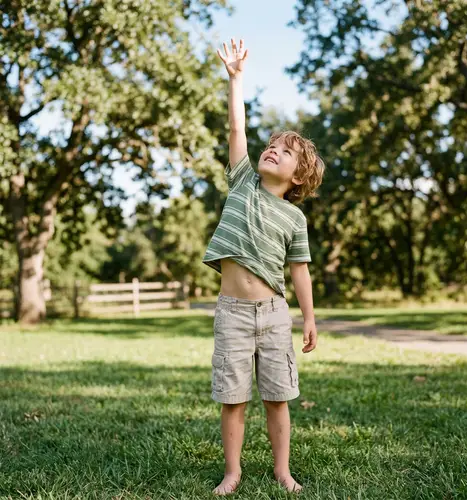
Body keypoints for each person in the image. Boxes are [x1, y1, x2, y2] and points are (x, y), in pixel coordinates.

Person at [202, 38, 325, 496]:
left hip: (274, 316)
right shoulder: (242, 184)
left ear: (297, 177)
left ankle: (282, 471)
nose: (271, 149)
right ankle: (232, 472)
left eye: (284, 151)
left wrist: (309, 317)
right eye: (271, 144)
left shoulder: (295, 218)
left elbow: (300, 272)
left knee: (278, 397)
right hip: (232, 312)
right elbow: (237, 131)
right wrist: (236, 80)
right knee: (232, 398)